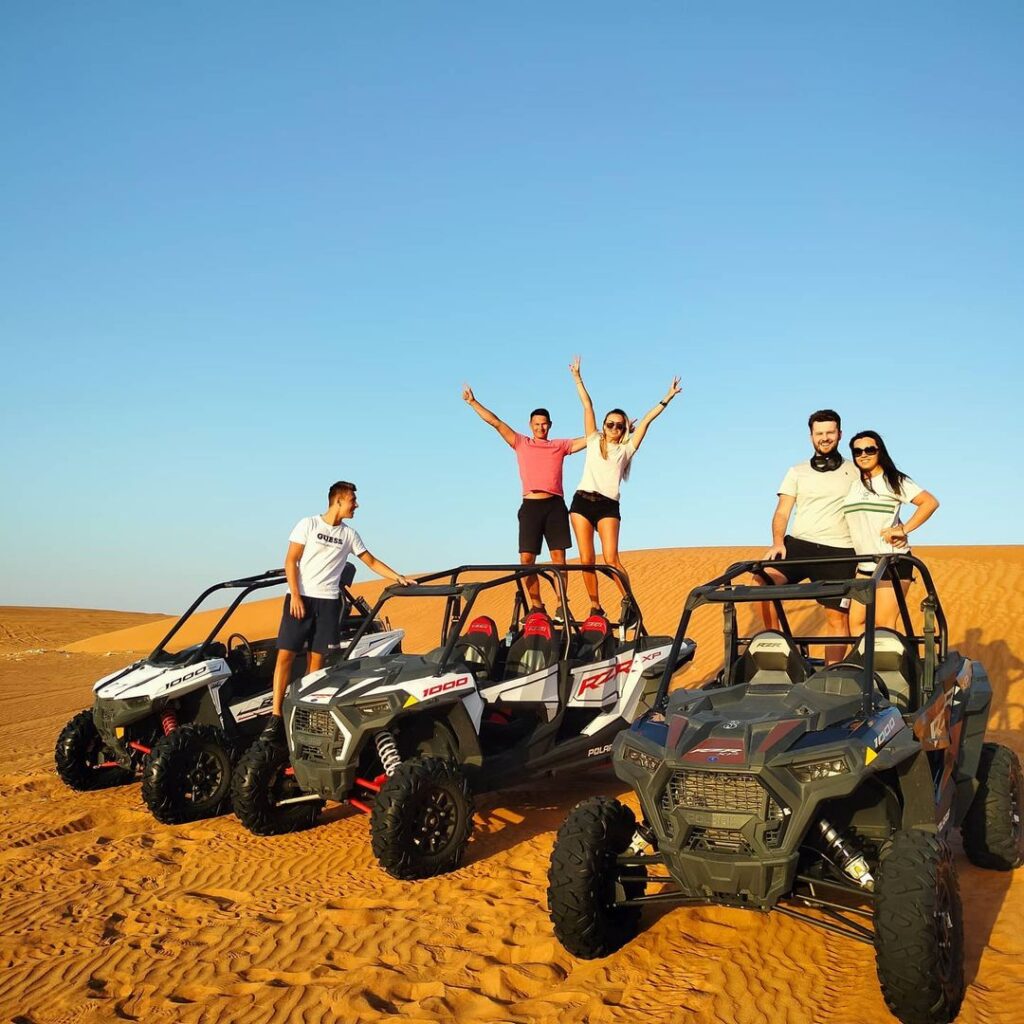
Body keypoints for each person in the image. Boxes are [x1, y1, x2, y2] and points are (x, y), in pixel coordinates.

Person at [262, 480, 412, 742]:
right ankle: (274, 717)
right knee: (285, 656)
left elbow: (371, 560)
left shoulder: (350, 535)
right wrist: (295, 595)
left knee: (316, 663)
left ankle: (305, 714)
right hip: (301, 599)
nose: (357, 505)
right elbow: (290, 560)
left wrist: (398, 577)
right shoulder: (308, 524)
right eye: (353, 500)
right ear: (339, 500)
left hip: (329, 603)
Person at [567, 356, 681, 622]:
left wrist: (668, 397)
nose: (614, 428)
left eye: (619, 425)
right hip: (581, 503)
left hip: (608, 505)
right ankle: (595, 607)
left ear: (623, 429)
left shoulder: (627, 450)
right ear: (604, 426)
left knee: (611, 559)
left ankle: (629, 602)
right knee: (586, 560)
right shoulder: (594, 440)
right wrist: (577, 377)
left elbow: (648, 421)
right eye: (610, 424)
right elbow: (587, 404)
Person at [462, 384, 582, 612]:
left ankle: (561, 605)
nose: (540, 427)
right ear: (530, 425)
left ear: (550, 425)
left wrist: (617, 432)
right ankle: (537, 605)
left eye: (544, 424)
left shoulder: (559, 445)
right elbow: (495, 422)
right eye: (536, 424)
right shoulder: (521, 442)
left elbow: (590, 440)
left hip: (555, 505)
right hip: (530, 506)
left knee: (559, 559)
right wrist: (472, 402)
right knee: (526, 560)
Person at [753, 409, 860, 663]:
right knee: (762, 580)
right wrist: (778, 542)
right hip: (799, 546)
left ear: (840, 434)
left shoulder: (856, 471)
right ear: (811, 436)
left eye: (830, 432)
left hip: (840, 551)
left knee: (837, 618)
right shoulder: (797, 471)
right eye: (819, 433)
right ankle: (776, 647)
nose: (824, 438)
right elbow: (782, 511)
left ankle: (831, 675)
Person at [842, 430, 939, 633]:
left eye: (869, 449)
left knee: (883, 623)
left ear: (880, 451)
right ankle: (866, 664)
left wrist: (903, 529)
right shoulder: (853, 485)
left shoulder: (894, 480)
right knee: (856, 622)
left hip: (892, 562)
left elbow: (929, 502)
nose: (863, 454)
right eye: (857, 451)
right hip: (863, 565)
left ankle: (889, 665)